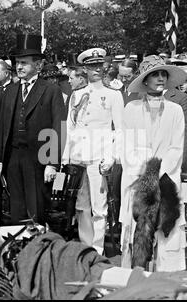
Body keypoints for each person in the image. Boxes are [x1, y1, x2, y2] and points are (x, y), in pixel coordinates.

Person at [119, 54, 187, 271]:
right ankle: (137, 279)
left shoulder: (175, 110)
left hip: (167, 178)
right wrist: (146, 174)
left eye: (163, 74)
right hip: (137, 178)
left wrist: (159, 174)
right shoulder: (131, 109)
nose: (159, 78)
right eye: (154, 75)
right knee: (138, 232)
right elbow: (127, 146)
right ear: (145, 80)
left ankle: (167, 282)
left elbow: (176, 147)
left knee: (167, 234)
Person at [0, 33, 67, 225]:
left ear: (38, 65)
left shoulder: (51, 90)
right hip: (13, 158)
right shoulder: (9, 92)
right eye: (17, 62)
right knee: (16, 209)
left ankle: (37, 250)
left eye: (24, 63)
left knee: (37, 210)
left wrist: (52, 162)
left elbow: (58, 128)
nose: (19, 67)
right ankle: (19, 250)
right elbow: (1, 129)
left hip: (39, 159)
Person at [61, 47, 124, 255]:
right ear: (85, 70)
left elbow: (120, 129)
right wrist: (66, 157)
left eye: (99, 65)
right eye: (91, 66)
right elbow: (70, 128)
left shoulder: (113, 95)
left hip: (99, 157)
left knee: (100, 207)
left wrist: (112, 156)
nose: (97, 69)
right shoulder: (77, 95)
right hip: (79, 157)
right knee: (81, 205)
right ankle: (85, 246)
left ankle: (96, 251)